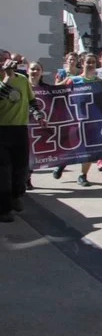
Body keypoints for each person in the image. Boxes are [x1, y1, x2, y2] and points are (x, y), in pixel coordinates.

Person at [55, 52, 102, 187]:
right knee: (72, 145)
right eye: (88, 62)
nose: (91, 64)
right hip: (75, 118)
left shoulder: (99, 82)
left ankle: (83, 175)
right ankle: (62, 163)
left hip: (93, 119)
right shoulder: (74, 80)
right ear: (82, 63)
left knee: (89, 148)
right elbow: (60, 95)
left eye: (93, 62)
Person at [0, 48, 32, 222]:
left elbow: (31, 100)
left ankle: (16, 195)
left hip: (20, 129)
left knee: (21, 168)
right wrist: (7, 77)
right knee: (3, 171)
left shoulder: (22, 79)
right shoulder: (5, 79)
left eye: (8, 60)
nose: (6, 63)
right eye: (2, 60)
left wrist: (39, 115)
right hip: (2, 130)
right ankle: (4, 209)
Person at [24, 62, 49, 191]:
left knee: (34, 154)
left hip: (39, 126)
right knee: (25, 153)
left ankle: (27, 177)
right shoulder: (23, 86)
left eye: (38, 69)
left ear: (41, 72)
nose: (35, 71)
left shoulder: (47, 88)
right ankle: (24, 178)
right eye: (32, 69)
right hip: (23, 123)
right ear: (27, 71)